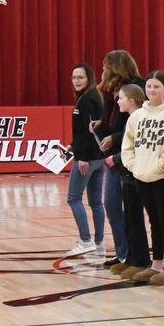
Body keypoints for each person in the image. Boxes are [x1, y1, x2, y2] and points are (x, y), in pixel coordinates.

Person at [122, 70, 164, 286]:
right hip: (142, 176)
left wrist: (162, 164)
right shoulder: (137, 116)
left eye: (157, 86)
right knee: (153, 221)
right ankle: (156, 264)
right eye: (149, 86)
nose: (152, 90)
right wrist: (134, 165)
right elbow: (128, 145)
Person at [94, 50, 146, 276]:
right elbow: (113, 124)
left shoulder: (135, 88)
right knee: (112, 204)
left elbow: (134, 125)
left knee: (129, 207)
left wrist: (114, 137)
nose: (102, 71)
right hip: (116, 156)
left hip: (129, 158)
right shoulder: (110, 93)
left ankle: (134, 255)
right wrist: (100, 126)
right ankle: (123, 252)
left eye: (105, 66)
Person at [65, 63, 106, 259]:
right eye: (74, 77)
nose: (76, 81)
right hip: (99, 158)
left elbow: (91, 131)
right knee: (96, 201)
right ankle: (99, 243)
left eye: (80, 77)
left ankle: (86, 240)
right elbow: (84, 132)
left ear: (89, 78)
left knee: (73, 198)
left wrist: (82, 157)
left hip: (88, 159)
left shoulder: (86, 100)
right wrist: (73, 146)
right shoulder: (94, 97)